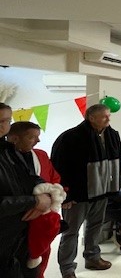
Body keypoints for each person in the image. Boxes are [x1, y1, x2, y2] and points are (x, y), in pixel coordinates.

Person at [51, 103, 121, 278]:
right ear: (91, 117)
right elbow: (58, 167)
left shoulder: (112, 135)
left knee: (95, 226)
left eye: (109, 115)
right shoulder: (70, 137)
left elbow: (117, 163)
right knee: (71, 232)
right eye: (105, 116)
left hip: (102, 191)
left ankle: (92, 257)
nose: (109, 119)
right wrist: (65, 196)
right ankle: (67, 268)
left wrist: (114, 188)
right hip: (77, 195)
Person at [0, 104, 51, 278]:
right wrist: (34, 201)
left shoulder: (9, 150)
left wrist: (47, 192)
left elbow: (30, 178)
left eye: (6, 120)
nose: (2, 125)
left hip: (19, 233)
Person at [6, 122, 62, 278]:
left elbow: (55, 180)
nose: (37, 141)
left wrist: (48, 199)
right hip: (17, 220)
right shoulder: (6, 160)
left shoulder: (41, 155)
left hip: (42, 217)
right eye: (32, 137)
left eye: (38, 137)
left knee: (41, 254)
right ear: (14, 138)